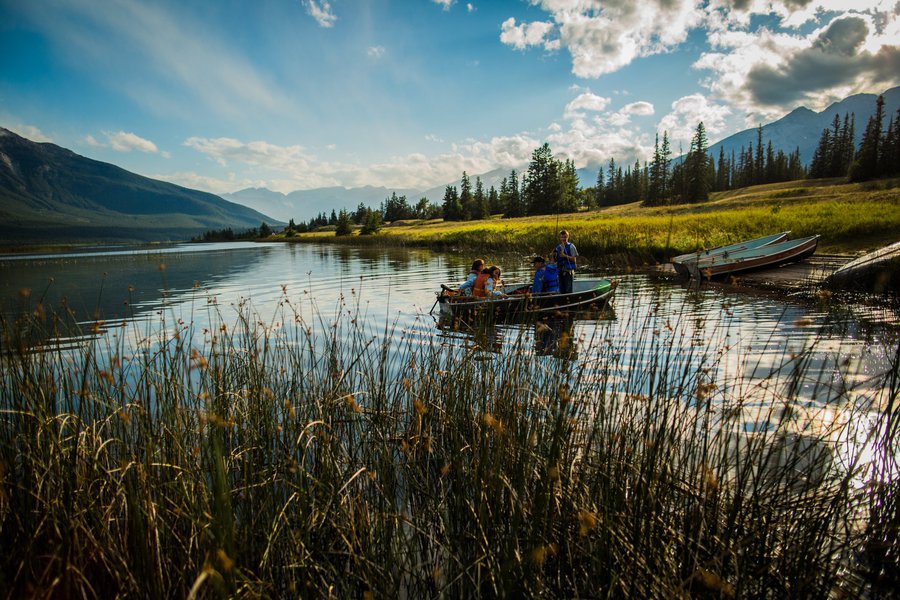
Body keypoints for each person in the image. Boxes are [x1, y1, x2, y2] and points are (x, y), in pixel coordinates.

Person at [552, 229, 578, 294]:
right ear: (560, 238)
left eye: (565, 237)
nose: (563, 239)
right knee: (561, 290)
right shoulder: (558, 247)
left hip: (568, 271)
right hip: (560, 270)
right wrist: (553, 255)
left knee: (568, 289)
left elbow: (574, 259)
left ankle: (569, 301)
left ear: (568, 237)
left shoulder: (571, 246)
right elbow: (554, 261)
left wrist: (565, 256)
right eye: (562, 237)